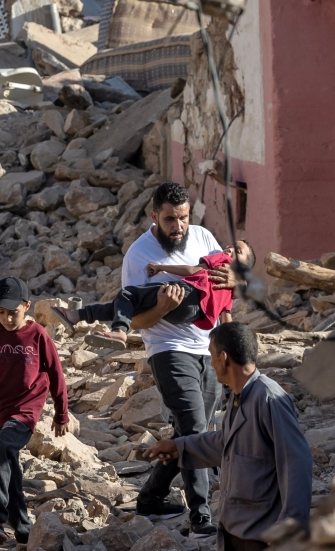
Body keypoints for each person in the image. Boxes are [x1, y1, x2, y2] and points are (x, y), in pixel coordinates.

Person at [117, 182, 236, 538]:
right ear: (154, 216)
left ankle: (151, 497)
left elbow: (226, 287)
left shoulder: (203, 237)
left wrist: (235, 282)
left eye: (182, 218)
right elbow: (134, 322)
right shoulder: (138, 257)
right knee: (197, 429)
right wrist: (163, 307)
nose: (178, 226)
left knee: (187, 432)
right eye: (169, 219)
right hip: (168, 349)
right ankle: (201, 516)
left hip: (210, 348)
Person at [144, 322, 313, 551]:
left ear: (224, 358)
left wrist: (291, 524)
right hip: (234, 528)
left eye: (212, 356)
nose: (211, 363)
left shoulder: (269, 398)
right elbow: (226, 442)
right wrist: (178, 446)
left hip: (262, 534)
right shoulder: (239, 396)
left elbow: (296, 460)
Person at [0, 277, 70, 545]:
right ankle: (23, 529)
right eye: (1, 313)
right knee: (8, 469)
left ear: (27, 306)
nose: (7, 319)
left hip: (26, 410)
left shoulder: (37, 335)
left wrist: (61, 414)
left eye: (13, 313)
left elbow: (56, 374)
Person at [53, 241, 255, 334]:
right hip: (188, 316)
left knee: (128, 294)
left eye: (237, 250)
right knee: (128, 308)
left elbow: (193, 269)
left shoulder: (223, 260)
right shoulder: (229, 290)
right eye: (229, 246)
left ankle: (118, 331)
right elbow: (226, 318)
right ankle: (77, 316)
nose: (229, 249)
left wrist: (161, 267)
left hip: (186, 294)